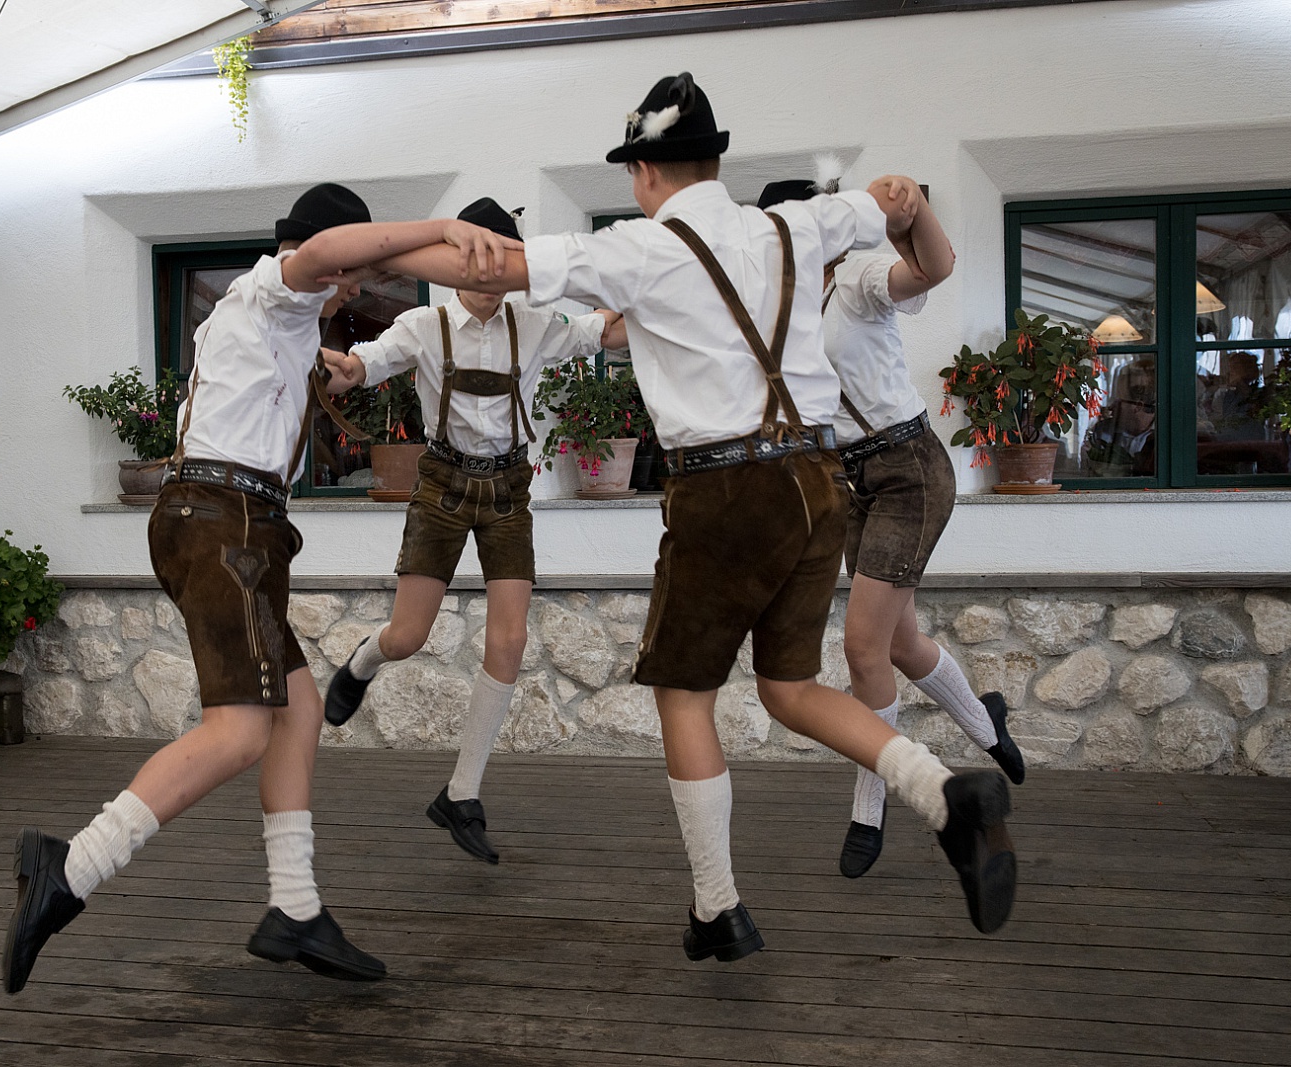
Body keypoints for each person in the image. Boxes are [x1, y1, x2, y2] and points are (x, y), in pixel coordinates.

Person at [374, 74, 1019, 959]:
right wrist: (900, 197)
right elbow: (892, 205)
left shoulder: (639, 247)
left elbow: (487, 269)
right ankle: (945, 794)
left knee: (684, 692)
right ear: (713, 161)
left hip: (724, 492)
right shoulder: (797, 225)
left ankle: (718, 904)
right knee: (791, 688)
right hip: (818, 481)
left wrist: (372, 253)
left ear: (643, 171)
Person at [1, 184, 517, 994]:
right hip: (224, 524)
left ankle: (295, 905)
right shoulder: (279, 288)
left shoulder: (281, 320)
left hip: (240, 527)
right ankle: (70, 867)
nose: (351, 289)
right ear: (324, 257)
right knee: (240, 731)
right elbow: (327, 255)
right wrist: (446, 229)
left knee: (299, 708)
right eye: (350, 274)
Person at [322, 198, 621, 863]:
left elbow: (607, 331)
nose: (484, 275)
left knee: (510, 640)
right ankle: (364, 660)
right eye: (472, 261)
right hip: (443, 488)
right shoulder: (423, 325)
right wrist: (344, 370)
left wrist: (643, 286)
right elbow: (367, 363)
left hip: (509, 489)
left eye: (497, 262)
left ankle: (461, 794)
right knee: (408, 635)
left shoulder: (536, 323)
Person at [757, 173, 1024, 881]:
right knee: (899, 641)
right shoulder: (773, 311)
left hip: (909, 469)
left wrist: (916, 207)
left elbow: (933, 267)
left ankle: (869, 808)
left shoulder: (858, 279)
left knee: (863, 644)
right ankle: (987, 723)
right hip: (849, 480)